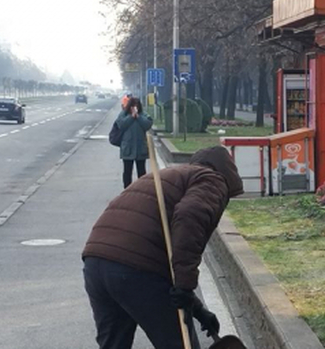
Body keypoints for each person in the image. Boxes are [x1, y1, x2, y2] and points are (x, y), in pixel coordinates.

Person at [82, 147, 244, 349]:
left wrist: (197, 310)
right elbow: (188, 218)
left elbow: (167, 253)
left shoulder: (169, 177)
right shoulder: (212, 180)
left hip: (96, 262)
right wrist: (185, 287)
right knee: (179, 344)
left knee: (114, 345)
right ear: (227, 173)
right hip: (136, 269)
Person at [117, 97, 152, 189]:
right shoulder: (124, 114)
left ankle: (142, 189)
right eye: (133, 106)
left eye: (137, 106)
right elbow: (121, 125)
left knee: (141, 171)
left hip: (140, 148)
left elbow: (147, 124)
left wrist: (138, 117)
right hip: (128, 148)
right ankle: (127, 189)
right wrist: (131, 117)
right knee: (127, 171)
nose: (135, 108)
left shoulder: (143, 115)